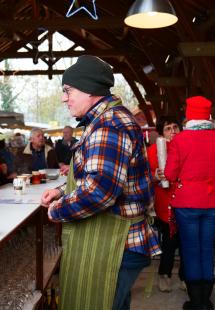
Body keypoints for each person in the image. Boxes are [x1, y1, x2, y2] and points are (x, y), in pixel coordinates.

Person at [40, 55, 160, 310]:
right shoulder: (104, 120)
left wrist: (56, 210)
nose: (64, 98)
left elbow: (100, 192)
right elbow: (98, 175)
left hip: (118, 244)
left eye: (67, 90)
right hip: (115, 241)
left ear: (89, 89)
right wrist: (62, 191)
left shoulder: (109, 124)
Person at [164, 96, 215, 310]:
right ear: (208, 115)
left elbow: (169, 173)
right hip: (214, 201)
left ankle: (196, 302)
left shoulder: (180, 140)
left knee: (191, 249)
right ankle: (206, 301)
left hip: (187, 202)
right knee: (206, 247)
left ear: (189, 115)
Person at [147, 116, 184, 292]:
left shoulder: (186, 145)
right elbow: (148, 177)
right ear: (161, 132)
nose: (173, 131)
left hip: (186, 198)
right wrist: (156, 176)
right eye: (168, 128)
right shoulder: (154, 149)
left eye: (175, 126)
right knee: (169, 241)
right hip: (165, 199)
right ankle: (164, 274)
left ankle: (185, 276)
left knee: (186, 241)